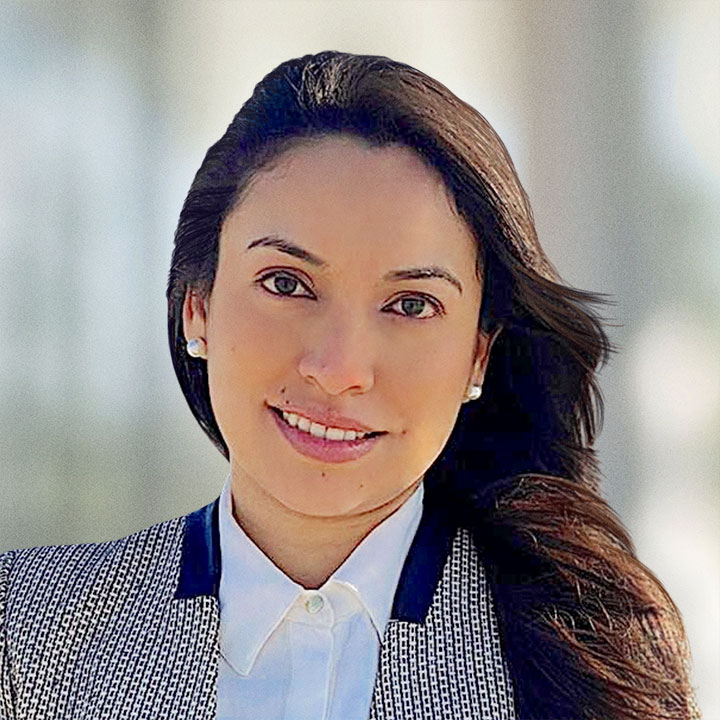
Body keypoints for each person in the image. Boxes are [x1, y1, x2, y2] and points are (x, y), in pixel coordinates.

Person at [0, 51, 699, 720]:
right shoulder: (25, 637)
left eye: (411, 305)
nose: (339, 368)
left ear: (479, 356)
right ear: (198, 305)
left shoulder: (591, 655)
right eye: (287, 283)